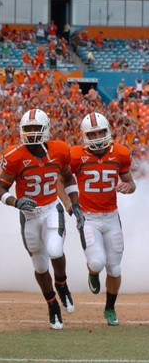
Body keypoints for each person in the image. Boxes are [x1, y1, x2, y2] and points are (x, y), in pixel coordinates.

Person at [0, 109, 84, 330]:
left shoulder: (60, 149)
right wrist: (15, 202)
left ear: (45, 128)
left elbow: (68, 177)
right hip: (29, 216)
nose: (32, 133)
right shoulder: (14, 156)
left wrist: (74, 203)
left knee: (55, 250)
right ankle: (52, 304)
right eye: (28, 129)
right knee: (40, 264)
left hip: (52, 208)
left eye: (36, 128)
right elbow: (1, 189)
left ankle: (62, 284)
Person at [69, 112, 136, 326]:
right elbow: (62, 179)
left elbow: (130, 182)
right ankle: (92, 272)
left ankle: (109, 309)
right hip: (88, 217)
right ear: (84, 135)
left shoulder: (121, 153)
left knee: (115, 269)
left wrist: (128, 187)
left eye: (100, 132)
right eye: (92, 133)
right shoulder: (75, 155)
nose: (97, 136)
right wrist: (69, 203)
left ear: (108, 131)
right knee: (97, 262)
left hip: (111, 216)